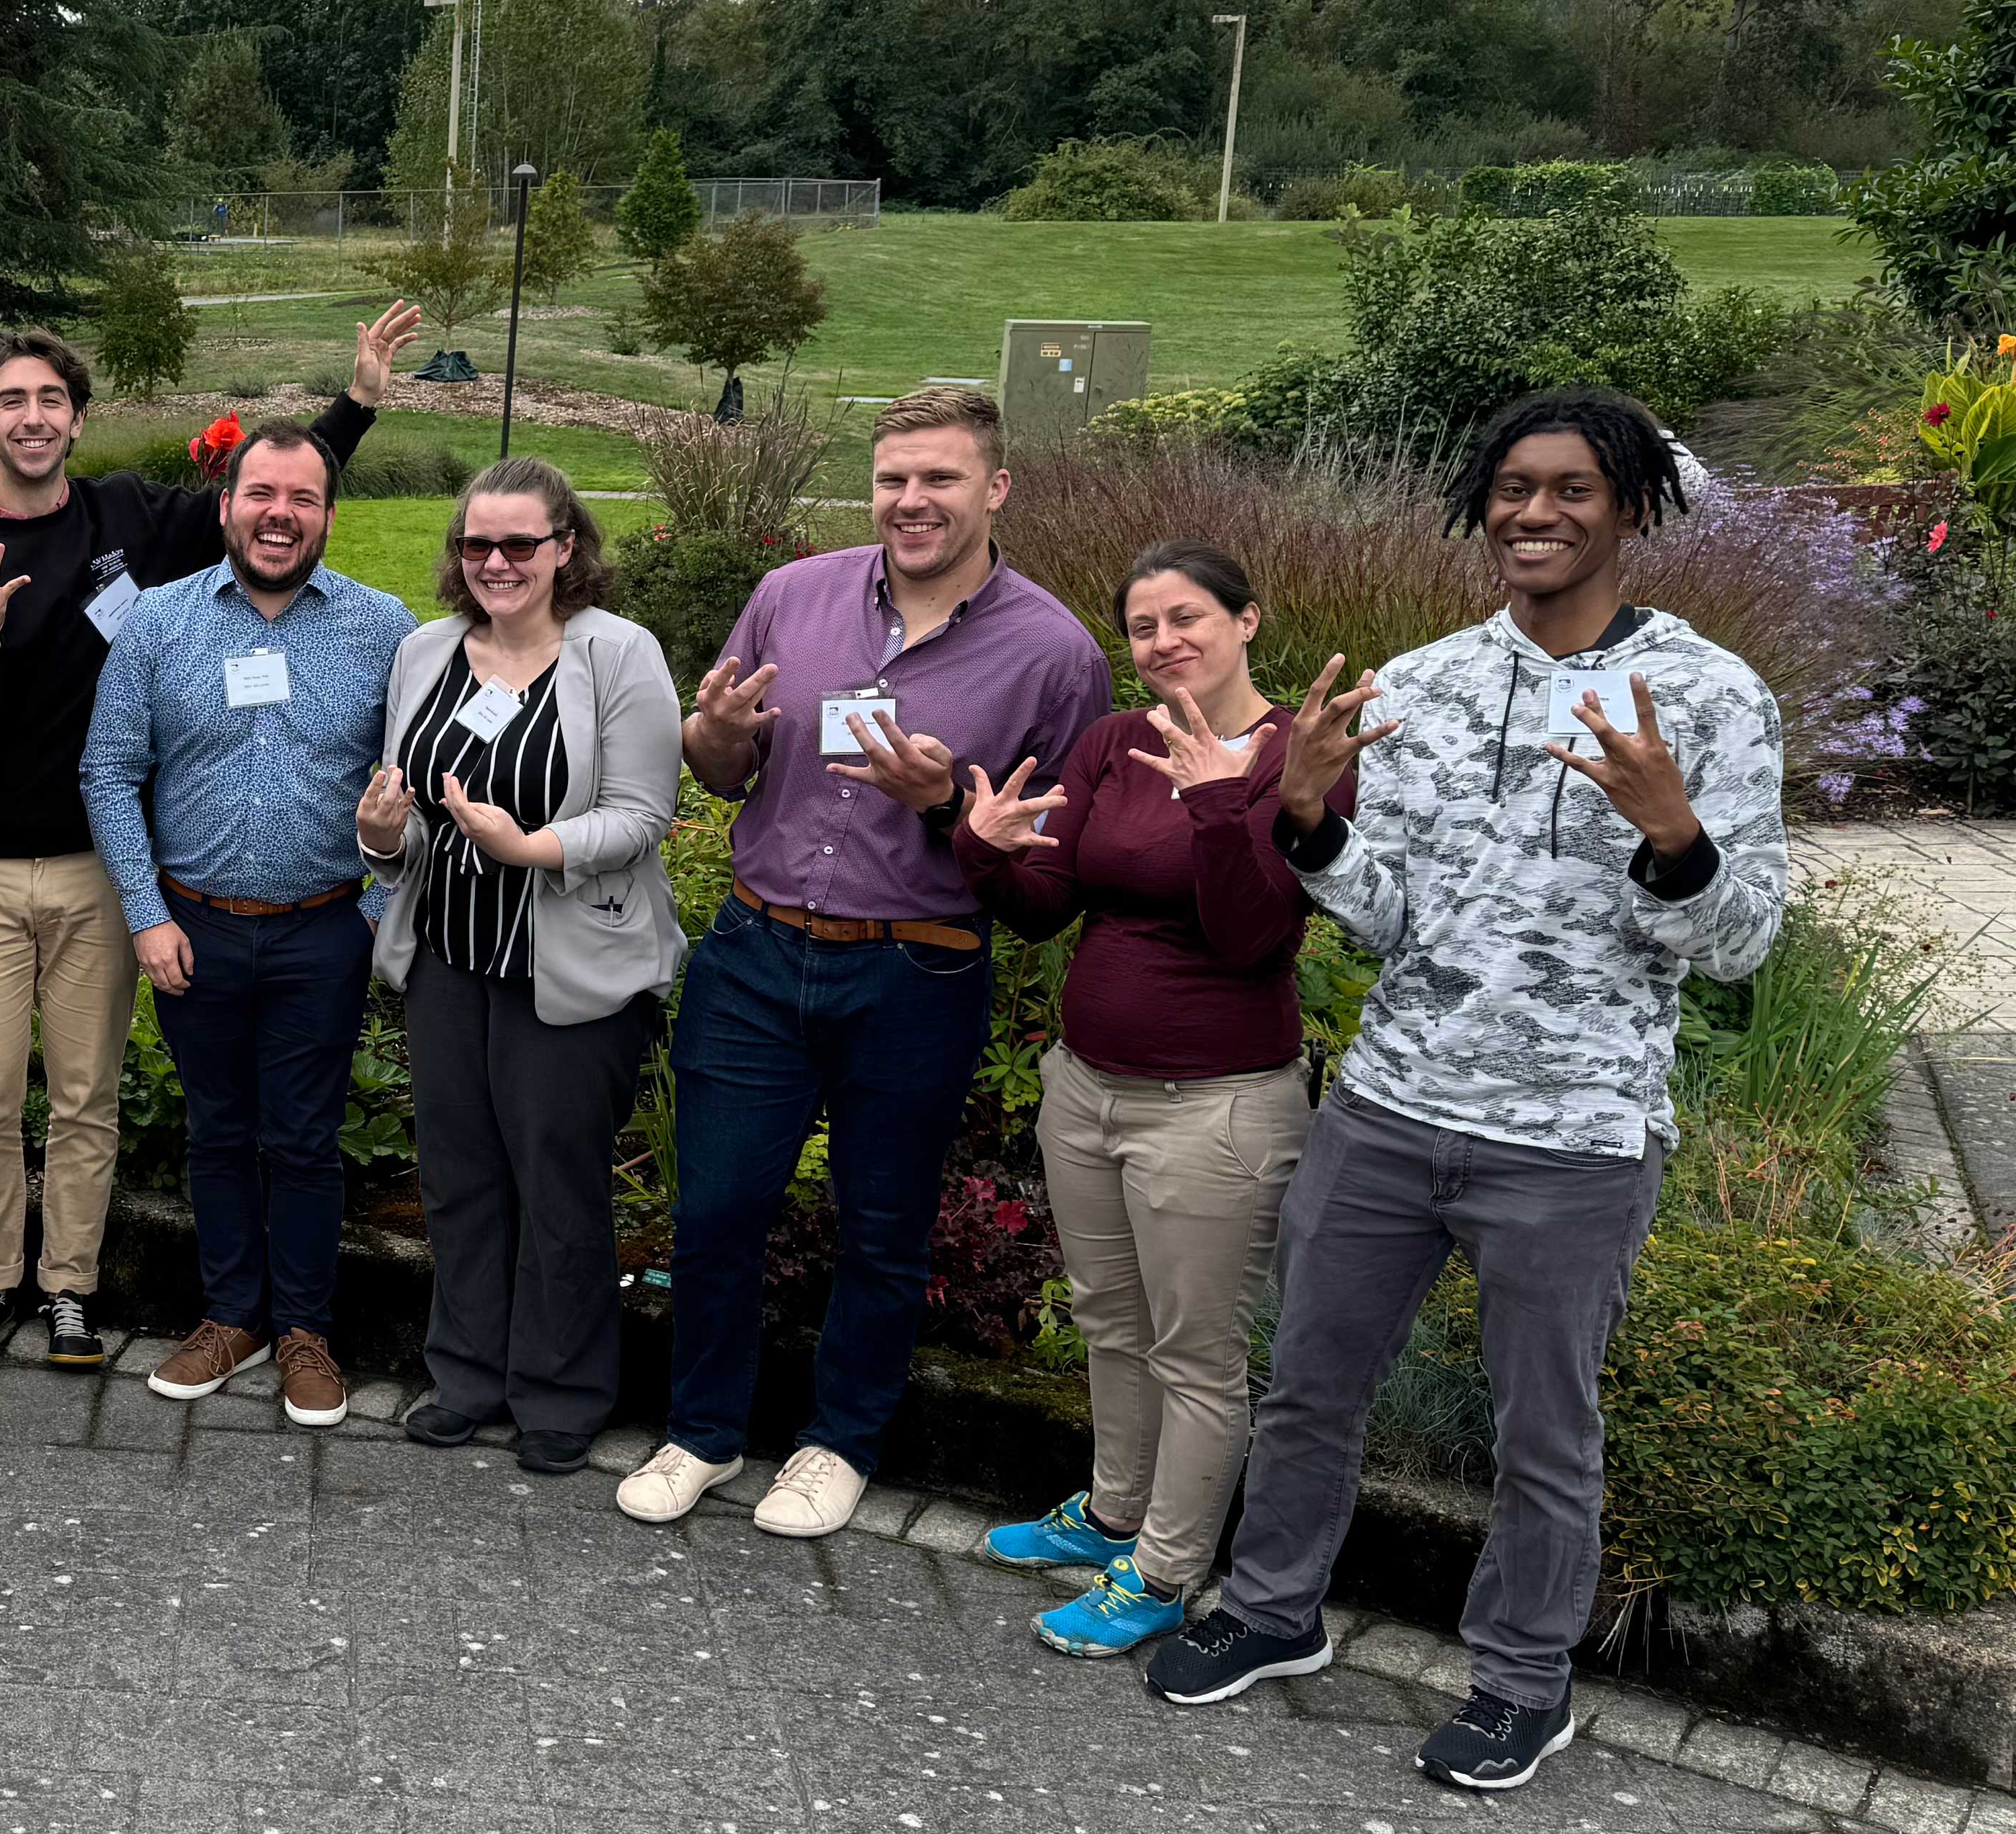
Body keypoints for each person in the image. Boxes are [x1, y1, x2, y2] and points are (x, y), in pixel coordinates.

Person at [1147, 389, 1785, 1793]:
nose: (1535, 512)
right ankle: (1269, 1613)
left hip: (1574, 1137)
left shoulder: (1715, 697)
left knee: (1542, 1430)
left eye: (1569, 489)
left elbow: (1742, 944)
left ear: (1627, 507)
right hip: (1390, 1108)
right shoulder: (1424, 682)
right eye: (1511, 487)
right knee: (1309, 1382)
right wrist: (1306, 816)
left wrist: (1677, 835)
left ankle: (1522, 1682)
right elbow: (1385, 917)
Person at [616, 386, 1112, 1541]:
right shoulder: (794, 595)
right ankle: (700, 1430)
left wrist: (945, 807)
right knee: (720, 1209)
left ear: (995, 489)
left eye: (939, 478)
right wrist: (718, 735)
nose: (910, 500)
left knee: (883, 1225)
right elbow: (721, 767)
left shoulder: (1055, 655)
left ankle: (838, 1445)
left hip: (917, 970)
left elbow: (1045, 876)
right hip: (755, 949)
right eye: (893, 477)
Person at [0, 302, 422, 1374]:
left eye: (52, 398)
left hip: (103, 864)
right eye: (12, 401)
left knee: (88, 1096)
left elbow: (270, 507)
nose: (34, 417)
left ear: (79, 419)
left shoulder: (127, 519)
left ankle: (72, 1292)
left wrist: (359, 400)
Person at [952, 540, 1344, 1656]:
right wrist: (983, 853)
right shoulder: (1115, 743)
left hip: (1215, 1110)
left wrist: (1222, 809)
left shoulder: (1294, 759)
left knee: (1197, 1350)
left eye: (1188, 619)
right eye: (1142, 627)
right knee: (1109, 1318)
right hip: (1087, 1091)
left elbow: (1256, 933)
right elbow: (1045, 905)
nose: (1164, 642)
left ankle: (1167, 1572)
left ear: (1248, 621)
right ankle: (1114, 1512)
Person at [80, 421, 417, 1430]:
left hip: (326, 928)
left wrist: (379, 914)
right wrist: (146, 918)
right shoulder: (159, 623)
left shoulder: (383, 626)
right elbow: (108, 770)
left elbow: (409, 785)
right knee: (219, 1129)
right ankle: (233, 1316)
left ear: (327, 513)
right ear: (225, 505)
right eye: (261, 493)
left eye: (302, 498)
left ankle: (305, 1328)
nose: (280, 514)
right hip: (195, 927)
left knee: (307, 1138)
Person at [352, 459, 681, 1476]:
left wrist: (530, 848)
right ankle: (467, 1376)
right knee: (460, 1180)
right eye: (476, 546)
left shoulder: (617, 655)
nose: (495, 563)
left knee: (558, 1183)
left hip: (566, 965)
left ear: (565, 547)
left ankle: (561, 1391)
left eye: (519, 545)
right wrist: (378, 840)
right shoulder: (425, 652)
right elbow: (406, 813)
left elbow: (641, 813)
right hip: (450, 957)